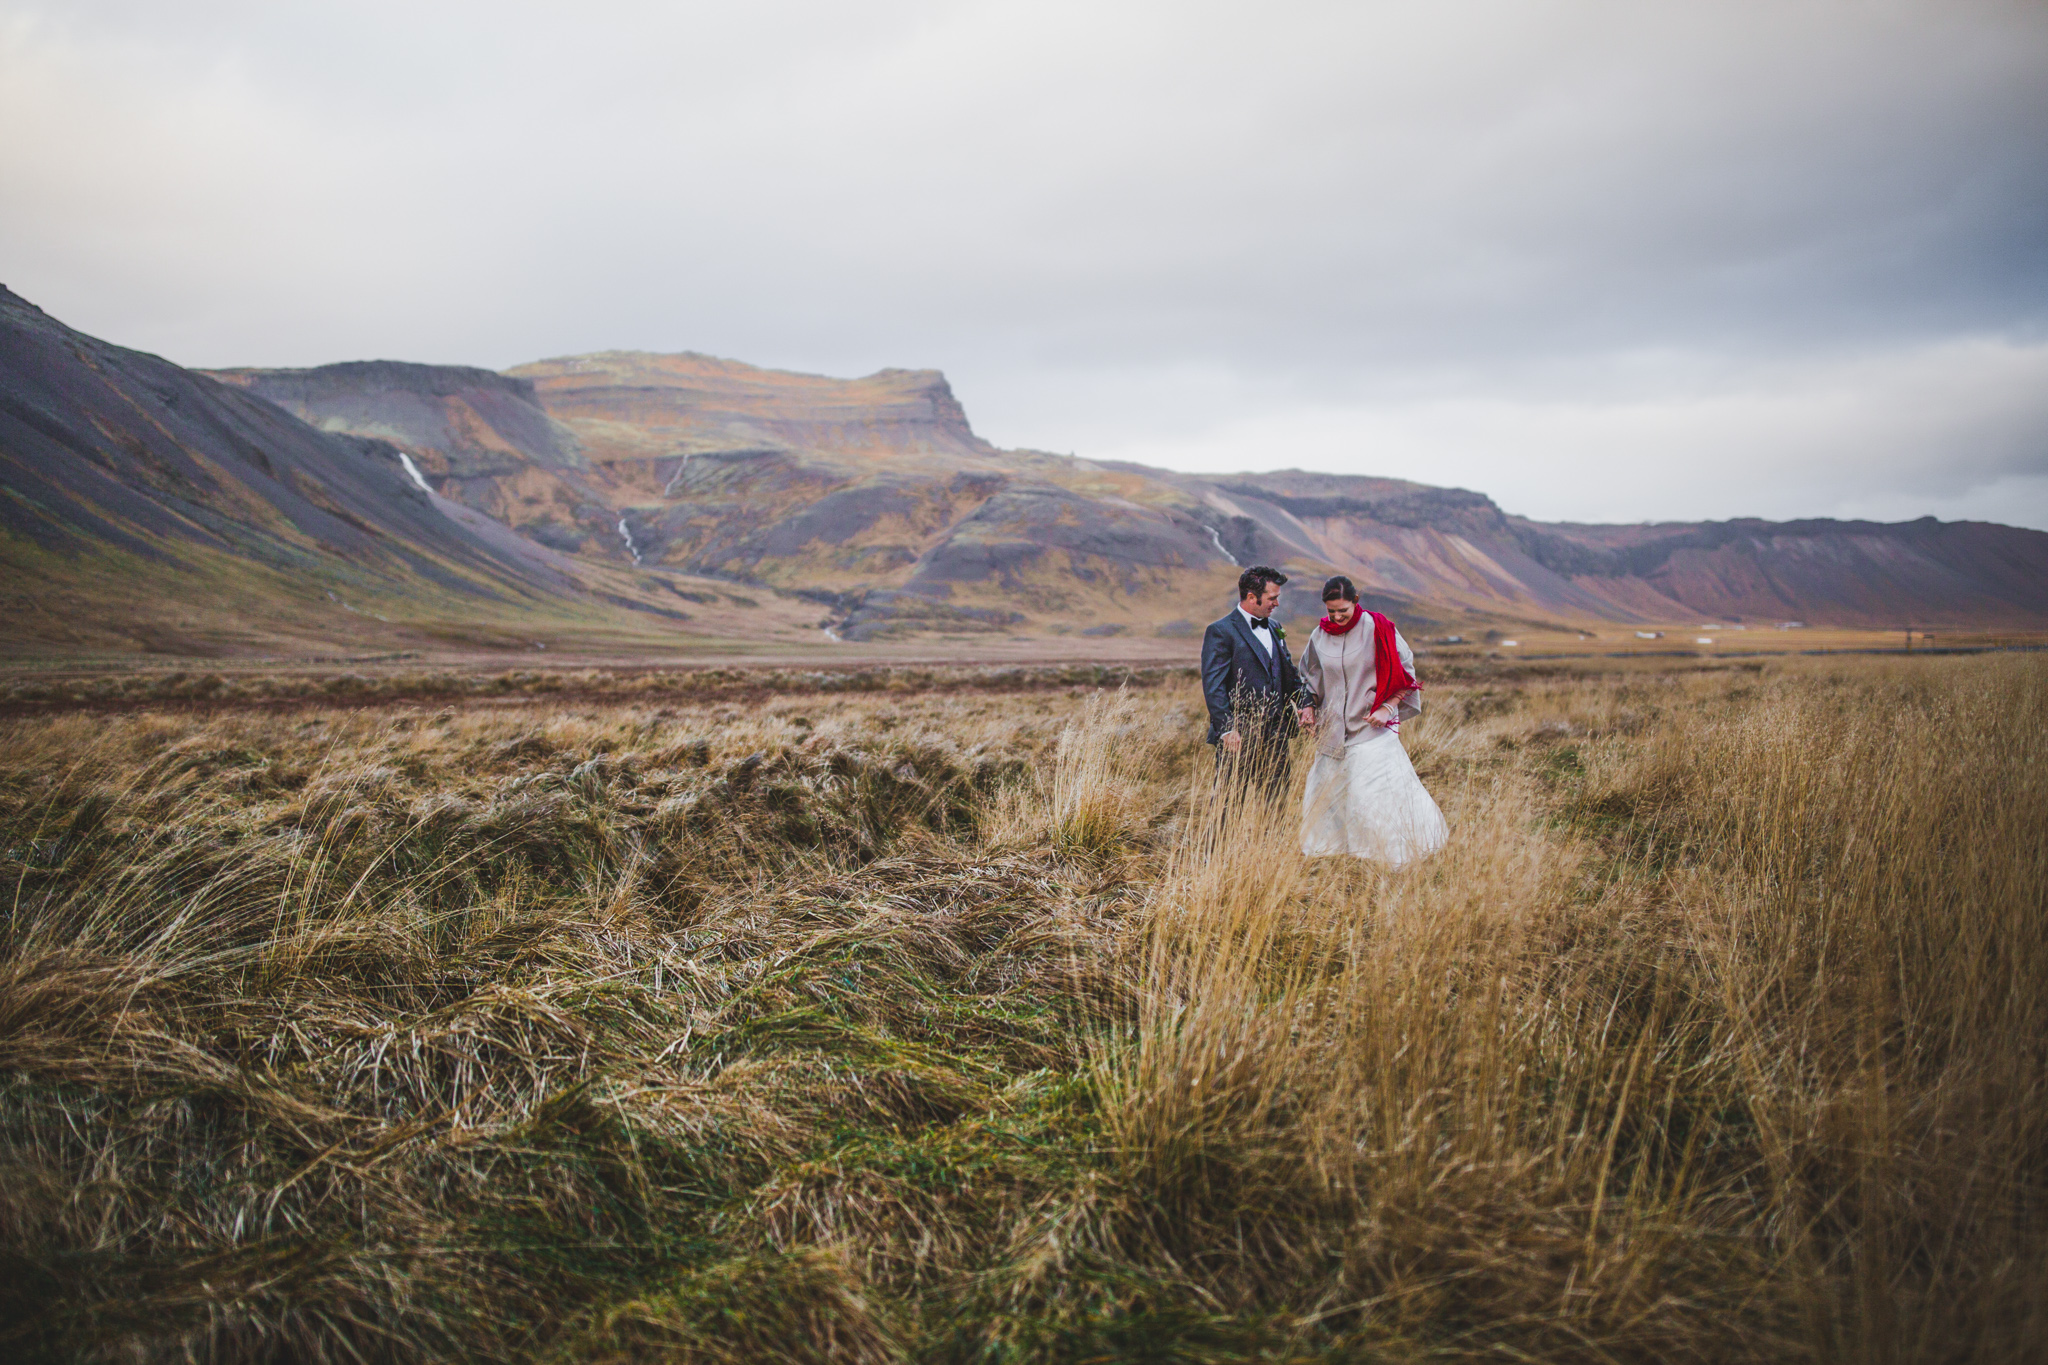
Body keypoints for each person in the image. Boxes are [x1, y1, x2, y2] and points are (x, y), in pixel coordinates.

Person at [1297, 575, 1448, 865]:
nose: (1337, 617)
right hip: (1332, 735)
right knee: (1329, 798)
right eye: (1331, 612)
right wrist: (1307, 708)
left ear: (1356, 601)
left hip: (1370, 732)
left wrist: (1388, 709)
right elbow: (1309, 677)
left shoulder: (1379, 629)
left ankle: (1385, 858)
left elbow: (1405, 675)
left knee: (1369, 798)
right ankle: (1336, 856)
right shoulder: (1319, 635)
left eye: (1343, 610)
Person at [1201, 565, 1313, 796]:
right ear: (1252, 597)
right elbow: (1214, 686)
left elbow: (1288, 674)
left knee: (1276, 805)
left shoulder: (1275, 627)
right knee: (1228, 805)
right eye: (1272, 598)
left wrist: (1306, 703)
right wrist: (1227, 729)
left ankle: (1267, 835)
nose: (1277, 603)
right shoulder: (1221, 631)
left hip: (1276, 734)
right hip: (1239, 735)